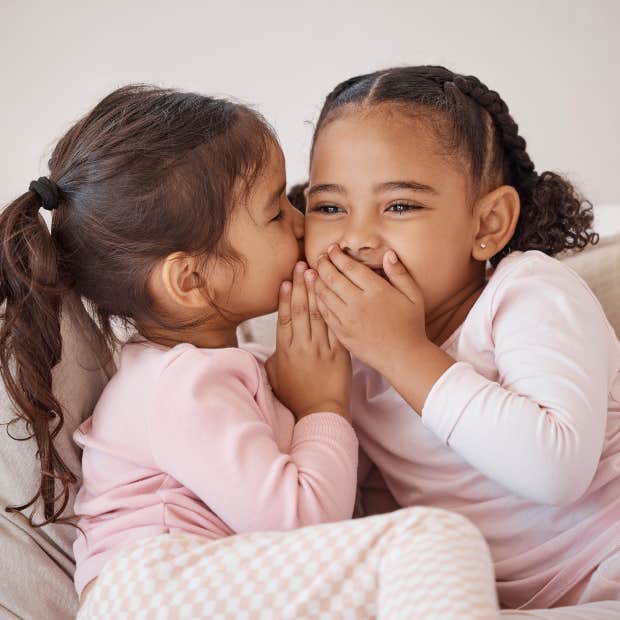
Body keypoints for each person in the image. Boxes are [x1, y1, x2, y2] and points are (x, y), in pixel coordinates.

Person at [0, 83, 499, 619]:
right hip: (152, 592)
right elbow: (305, 520)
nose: (305, 223)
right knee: (433, 542)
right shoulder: (178, 387)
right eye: (276, 211)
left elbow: (324, 500)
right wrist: (321, 408)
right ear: (190, 278)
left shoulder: (239, 371)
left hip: (211, 581)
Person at [302, 65, 620, 612]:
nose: (354, 238)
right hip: (505, 602)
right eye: (329, 207)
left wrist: (401, 352)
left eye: (399, 205)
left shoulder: (527, 293)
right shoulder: (347, 350)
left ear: (486, 224)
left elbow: (557, 469)